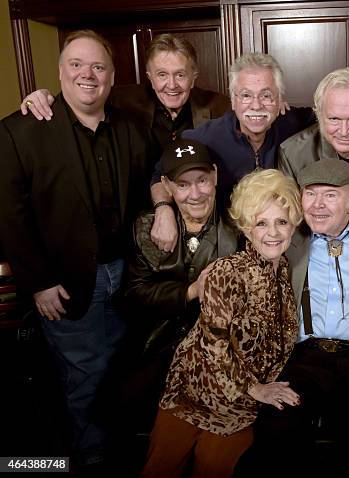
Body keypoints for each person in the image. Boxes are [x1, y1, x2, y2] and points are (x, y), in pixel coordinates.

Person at [0, 30, 152, 472]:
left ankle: (119, 442)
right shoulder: (21, 131)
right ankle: (90, 455)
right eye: (76, 65)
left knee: (120, 366)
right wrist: (39, 283)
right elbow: (10, 215)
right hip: (62, 282)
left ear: (112, 76)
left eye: (98, 66)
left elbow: (148, 185)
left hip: (124, 273)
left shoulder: (129, 126)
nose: (87, 74)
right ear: (60, 73)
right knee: (83, 373)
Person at [139, 168, 302, 478]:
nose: (273, 233)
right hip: (195, 393)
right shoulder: (225, 272)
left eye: (281, 221)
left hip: (240, 408)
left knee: (214, 470)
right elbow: (214, 347)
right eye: (261, 223)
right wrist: (257, 389)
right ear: (245, 227)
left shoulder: (285, 270)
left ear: (293, 225)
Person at [242, 159, 349, 476]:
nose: (318, 205)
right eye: (310, 194)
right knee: (277, 427)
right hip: (305, 358)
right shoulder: (287, 237)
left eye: (331, 195)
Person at [118, 138, 238, 436]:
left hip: (219, 351)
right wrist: (191, 291)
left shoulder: (238, 228)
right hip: (158, 344)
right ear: (167, 186)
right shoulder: (146, 227)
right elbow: (135, 294)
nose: (195, 194)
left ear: (215, 177)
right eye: (183, 185)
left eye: (202, 181)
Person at [151, 52, 317, 251]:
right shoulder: (204, 138)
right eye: (246, 95)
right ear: (233, 100)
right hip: (226, 247)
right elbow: (159, 176)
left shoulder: (290, 122)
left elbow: (330, 115)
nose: (256, 105)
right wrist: (163, 210)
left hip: (280, 243)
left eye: (266, 95)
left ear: (279, 99)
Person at [21, 33, 230, 154]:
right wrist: (42, 97)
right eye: (162, 74)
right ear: (149, 76)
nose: (171, 84)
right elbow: (82, 95)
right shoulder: (122, 100)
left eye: (181, 75)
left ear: (194, 76)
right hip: (143, 211)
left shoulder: (219, 106)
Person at [278, 67, 349, 210]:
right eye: (334, 119)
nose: (344, 131)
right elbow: (290, 217)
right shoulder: (293, 153)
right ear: (319, 116)